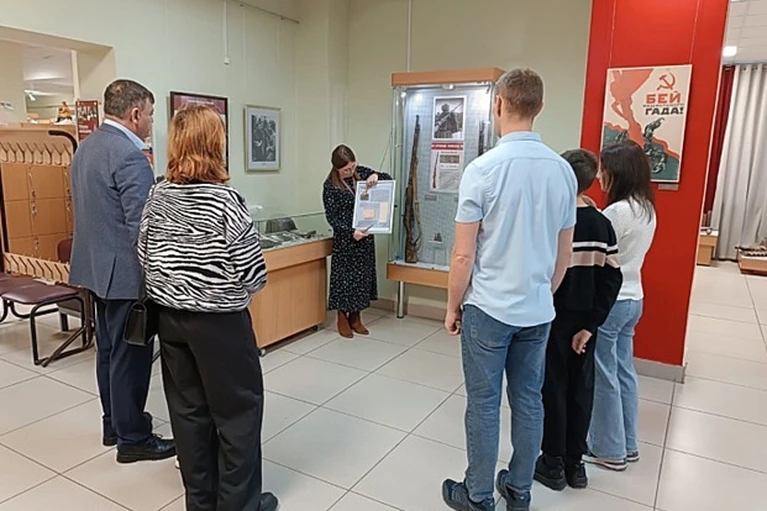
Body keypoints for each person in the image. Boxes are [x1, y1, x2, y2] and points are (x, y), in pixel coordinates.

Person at [442, 68, 577, 511]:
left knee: (483, 403)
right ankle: (519, 489)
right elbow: (564, 254)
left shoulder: (482, 170)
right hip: (537, 310)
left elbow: (463, 255)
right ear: (540, 107)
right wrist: (542, 294)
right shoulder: (563, 172)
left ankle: (478, 494)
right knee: (528, 400)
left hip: (488, 308)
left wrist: (452, 306)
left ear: (498, 104)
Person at [138, 105, 278, 511]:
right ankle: (238, 504)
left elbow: (143, 253)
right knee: (238, 415)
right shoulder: (225, 200)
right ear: (215, 144)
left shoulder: (158, 194)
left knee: (188, 415)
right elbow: (253, 272)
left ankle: (200, 502)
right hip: (220, 326)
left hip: (171, 321)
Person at [69, 79, 175, 463]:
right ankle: (133, 439)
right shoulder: (130, 156)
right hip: (126, 276)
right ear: (134, 114)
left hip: (95, 269)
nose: (151, 122)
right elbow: (142, 229)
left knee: (109, 351)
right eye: (150, 114)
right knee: (131, 357)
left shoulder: (86, 148)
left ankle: (113, 424)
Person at [534, 149, 623, 492]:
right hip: (585, 322)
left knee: (552, 387)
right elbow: (612, 278)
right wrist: (591, 325)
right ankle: (575, 463)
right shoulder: (602, 224)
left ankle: (553, 461)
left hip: (553, 317)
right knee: (581, 389)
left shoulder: (552, 221)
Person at [586, 140, 657, 472]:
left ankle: (609, 449)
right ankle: (628, 444)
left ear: (618, 173)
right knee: (624, 371)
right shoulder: (645, 208)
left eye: (604, 169)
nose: (599, 175)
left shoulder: (617, 212)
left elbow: (597, 255)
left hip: (611, 303)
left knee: (604, 376)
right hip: (633, 298)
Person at [323, 144, 392, 338]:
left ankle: (356, 317)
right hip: (346, 239)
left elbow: (387, 179)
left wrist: (375, 176)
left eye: (352, 167)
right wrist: (351, 232)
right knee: (344, 279)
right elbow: (332, 217)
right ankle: (342, 316)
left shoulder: (361, 172)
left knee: (362, 278)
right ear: (337, 168)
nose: (350, 171)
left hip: (365, 237)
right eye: (346, 169)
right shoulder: (330, 186)